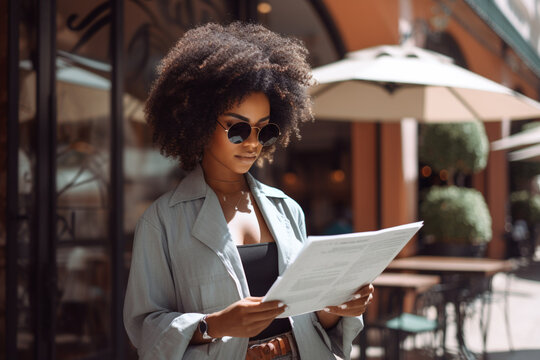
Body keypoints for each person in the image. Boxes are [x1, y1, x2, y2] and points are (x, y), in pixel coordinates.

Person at [123, 22, 374, 360]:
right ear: (197, 122)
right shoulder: (163, 221)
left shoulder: (287, 209)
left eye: (264, 130)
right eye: (239, 129)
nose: (253, 143)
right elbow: (145, 329)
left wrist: (336, 308)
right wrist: (216, 324)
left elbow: (307, 315)